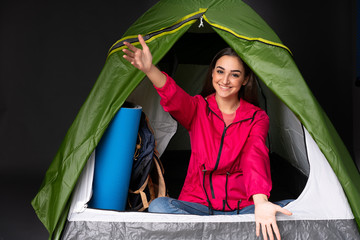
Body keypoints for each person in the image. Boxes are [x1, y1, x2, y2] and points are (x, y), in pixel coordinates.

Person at [123, 35, 292, 240]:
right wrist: (150, 70)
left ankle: (213, 233)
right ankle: (230, 234)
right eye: (220, 71)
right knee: (159, 206)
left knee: (290, 209)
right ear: (212, 73)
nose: (225, 80)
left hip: (242, 208)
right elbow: (174, 96)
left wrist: (261, 202)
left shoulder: (257, 117)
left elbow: (254, 155)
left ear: (245, 79)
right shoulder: (198, 108)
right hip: (199, 207)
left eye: (235, 75)